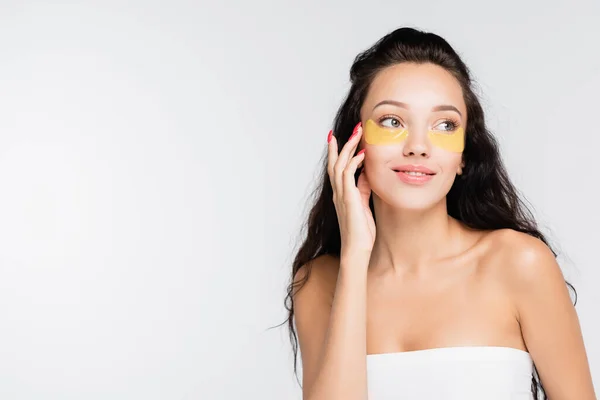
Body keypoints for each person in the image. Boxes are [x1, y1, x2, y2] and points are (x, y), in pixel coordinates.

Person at [283, 27, 596, 399]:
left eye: (445, 125)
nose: (418, 146)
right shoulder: (319, 282)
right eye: (392, 121)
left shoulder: (519, 263)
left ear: (463, 155)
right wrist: (354, 257)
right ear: (355, 141)